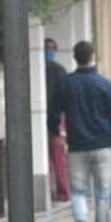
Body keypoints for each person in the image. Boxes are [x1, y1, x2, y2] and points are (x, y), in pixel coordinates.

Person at [50, 41, 111, 222]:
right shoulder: (104, 84)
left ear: (75, 58)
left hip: (76, 146)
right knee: (102, 195)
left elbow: (53, 112)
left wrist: (57, 133)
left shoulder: (66, 84)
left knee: (78, 192)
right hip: (103, 146)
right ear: (92, 56)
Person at [45, 38, 71, 202]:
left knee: (57, 154)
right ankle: (58, 190)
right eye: (47, 49)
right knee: (55, 154)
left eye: (52, 49)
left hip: (55, 117)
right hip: (51, 116)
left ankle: (62, 190)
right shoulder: (59, 71)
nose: (49, 52)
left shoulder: (59, 71)